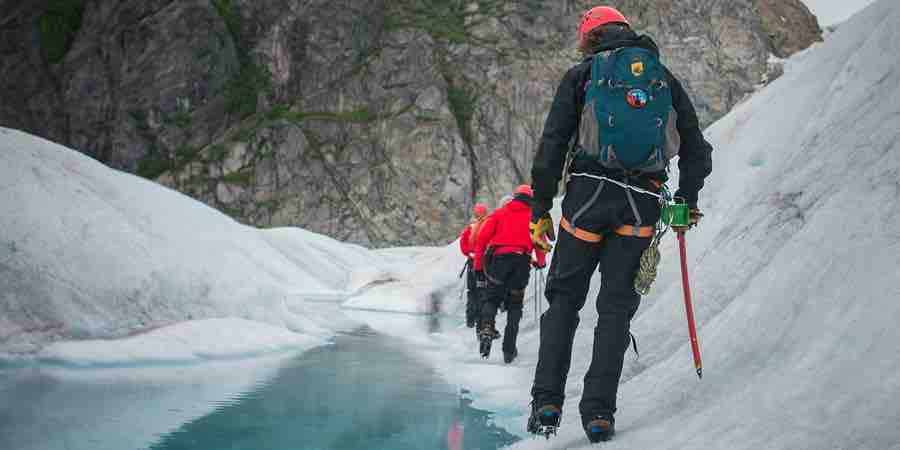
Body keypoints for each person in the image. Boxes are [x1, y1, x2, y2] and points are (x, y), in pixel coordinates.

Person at [526, 6, 713, 443]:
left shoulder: (581, 76)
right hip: (641, 205)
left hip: (587, 199)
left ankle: (547, 404)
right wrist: (686, 200)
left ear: (588, 38)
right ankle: (599, 415)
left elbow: (552, 145)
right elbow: (697, 151)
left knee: (564, 301)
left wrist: (539, 208)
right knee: (615, 310)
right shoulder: (661, 79)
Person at [473, 185, 545, 364]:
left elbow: (481, 240)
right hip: (522, 262)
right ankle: (509, 350)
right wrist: (541, 262)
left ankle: (487, 328)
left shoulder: (499, 214)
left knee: (492, 299)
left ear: (515, 196)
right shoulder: (535, 217)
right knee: (515, 306)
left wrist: (478, 267)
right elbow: (540, 243)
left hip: (499, 261)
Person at [459, 203, 490, 329]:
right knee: (483, 291)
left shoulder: (470, 228)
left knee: (472, 291)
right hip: (485, 264)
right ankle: (481, 320)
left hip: (472, 262)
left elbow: (463, 246)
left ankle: (470, 319)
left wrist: (470, 253)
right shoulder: (488, 226)